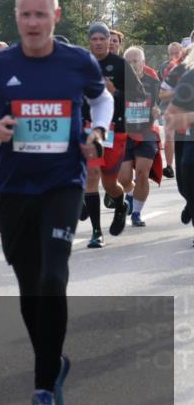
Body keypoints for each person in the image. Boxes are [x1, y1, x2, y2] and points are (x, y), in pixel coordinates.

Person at [0, 0, 112, 405]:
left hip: (63, 182)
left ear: (55, 17)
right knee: (30, 288)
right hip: (13, 188)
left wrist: (96, 133)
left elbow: (101, 103)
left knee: (52, 274)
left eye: (40, 15)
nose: (32, 23)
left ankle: (44, 388)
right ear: (17, 18)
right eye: (25, 15)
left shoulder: (77, 62)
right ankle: (53, 361)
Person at [80, 22, 146, 247]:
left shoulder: (120, 65)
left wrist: (115, 92)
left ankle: (120, 204)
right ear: (89, 41)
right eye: (94, 39)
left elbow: (139, 96)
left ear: (110, 41)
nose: (98, 43)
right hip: (89, 129)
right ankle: (96, 232)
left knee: (110, 184)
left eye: (102, 39)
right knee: (91, 176)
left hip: (115, 130)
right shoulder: (82, 65)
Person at [119, 47, 163, 226]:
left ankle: (136, 213)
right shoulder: (118, 82)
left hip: (146, 132)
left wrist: (157, 110)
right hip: (125, 133)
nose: (132, 64)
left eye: (135, 60)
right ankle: (130, 194)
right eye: (128, 61)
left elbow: (160, 105)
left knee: (143, 172)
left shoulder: (153, 82)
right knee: (123, 178)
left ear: (143, 63)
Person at [164, 54, 194, 245]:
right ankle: (191, 203)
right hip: (189, 137)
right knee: (186, 176)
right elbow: (170, 117)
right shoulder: (189, 77)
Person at [160, 42, 184, 179]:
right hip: (168, 107)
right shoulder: (165, 67)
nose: (174, 56)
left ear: (182, 52)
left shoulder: (187, 66)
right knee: (169, 136)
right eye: (171, 53)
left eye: (177, 53)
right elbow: (161, 88)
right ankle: (169, 166)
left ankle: (182, 163)